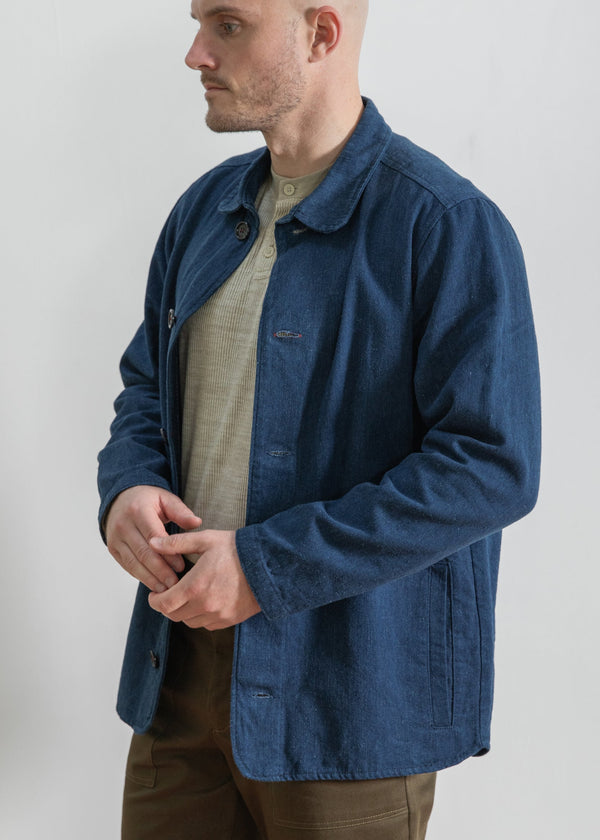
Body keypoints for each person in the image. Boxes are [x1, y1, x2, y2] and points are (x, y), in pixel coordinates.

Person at [97, 1, 541, 837]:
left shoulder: (443, 224)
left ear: (321, 33)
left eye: (228, 24)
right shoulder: (202, 212)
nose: (196, 52)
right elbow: (145, 386)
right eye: (199, 22)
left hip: (349, 701)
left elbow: (491, 465)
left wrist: (266, 567)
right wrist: (128, 487)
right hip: (179, 676)